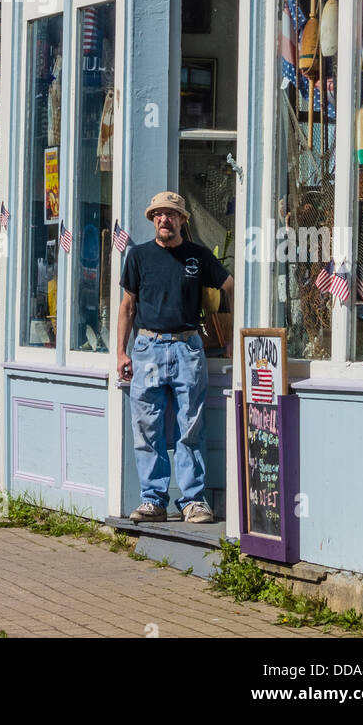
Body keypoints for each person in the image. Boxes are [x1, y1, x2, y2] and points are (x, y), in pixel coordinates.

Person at [117, 190, 233, 524]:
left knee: (190, 426)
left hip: (187, 347)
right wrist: (121, 352)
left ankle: (193, 501)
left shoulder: (198, 256)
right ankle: (152, 500)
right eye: (158, 214)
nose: (164, 220)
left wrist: (229, 336)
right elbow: (127, 306)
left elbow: (229, 287)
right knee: (146, 427)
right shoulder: (138, 256)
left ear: (183, 219)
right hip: (148, 348)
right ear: (153, 220)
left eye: (171, 214)